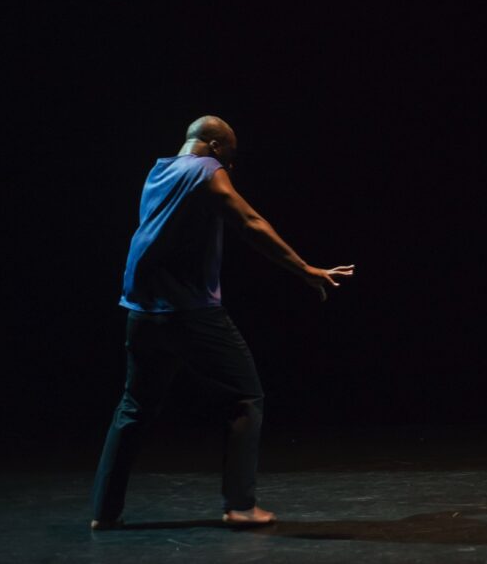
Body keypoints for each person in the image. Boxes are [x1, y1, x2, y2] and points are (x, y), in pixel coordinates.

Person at [90, 116, 354, 529]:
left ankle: (104, 512)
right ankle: (240, 505)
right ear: (214, 145)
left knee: (134, 408)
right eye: (230, 155)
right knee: (246, 397)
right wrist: (305, 269)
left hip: (141, 312)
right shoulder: (206, 170)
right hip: (191, 312)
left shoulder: (159, 170)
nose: (231, 166)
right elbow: (249, 222)